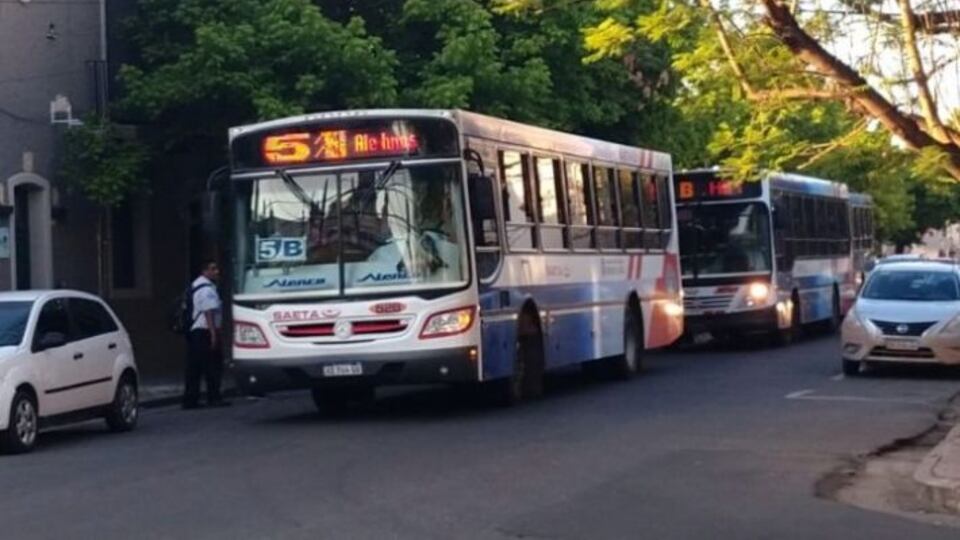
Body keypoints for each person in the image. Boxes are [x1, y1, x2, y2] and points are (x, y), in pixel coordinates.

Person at [183, 260, 229, 409]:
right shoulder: (206, 289)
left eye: (217, 268)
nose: (216, 272)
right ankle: (214, 397)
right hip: (204, 331)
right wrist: (213, 333)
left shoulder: (196, 285)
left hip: (196, 331)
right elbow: (208, 311)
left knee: (195, 367)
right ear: (204, 271)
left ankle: (191, 399)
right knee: (213, 365)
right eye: (212, 269)